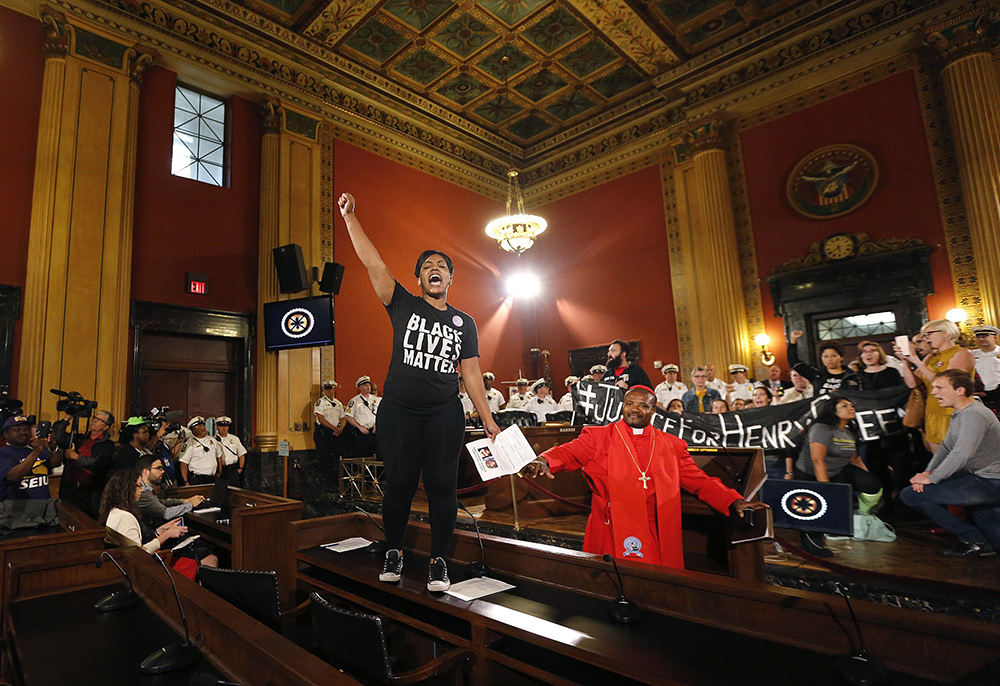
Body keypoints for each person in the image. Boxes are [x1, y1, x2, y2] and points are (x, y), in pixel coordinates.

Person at [338, 191, 500, 593]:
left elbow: (472, 374)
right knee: (400, 485)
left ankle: (439, 561)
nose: (435, 269)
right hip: (398, 411)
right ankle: (394, 550)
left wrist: (489, 420)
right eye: (427, 266)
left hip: (444, 413)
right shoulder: (403, 304)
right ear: (419, 279)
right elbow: (372, 262)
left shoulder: (465, 323)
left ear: (450, 279)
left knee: (444, 488)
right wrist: (350, 218)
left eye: (441, 266)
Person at [522, 386, 767, 568]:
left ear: (653, 410)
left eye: (643, 405)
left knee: (656, 587)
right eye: (630, 404)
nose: (634, 410)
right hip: (611, 526)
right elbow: (568, 452)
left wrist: (733, 501)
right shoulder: (599, 436)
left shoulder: (671, 445)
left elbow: (699, 480)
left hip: (656, 528)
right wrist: (544, 460)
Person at [899, 371, 1000, 557]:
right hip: (982, 476)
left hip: (991, 481)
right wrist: (928, 473)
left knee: (912, 495)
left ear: (960, 390)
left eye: (940, 388)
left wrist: (933, 479)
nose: (934, 392)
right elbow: (946, 447)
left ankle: (974, 539)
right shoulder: (963, 412)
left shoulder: (974, 415)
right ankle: (981, 543)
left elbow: (961, 453)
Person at [794, 395, 882, 557]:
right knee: (815, 509)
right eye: (844, 406)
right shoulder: (821, 428)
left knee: (873, 484)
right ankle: (812, 542)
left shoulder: (848, 432)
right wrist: (826, 489)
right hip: (810, 475)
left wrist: (866, 476)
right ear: (832, 411)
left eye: (851, 405)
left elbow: (855, 458)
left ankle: (862, 515)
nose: (851, 408)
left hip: (837, 471)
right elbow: (817, 460)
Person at [895, 319, 975, 451]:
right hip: (933, 412)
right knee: (938, 463)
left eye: (929, 334)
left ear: (946, 334)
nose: (926, 339)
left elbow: (947, 384)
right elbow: (912, 383)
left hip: (953, 414)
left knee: (960, 461)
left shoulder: (962, 353)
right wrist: (905, 361)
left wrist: (916, 360)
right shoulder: (931, 356)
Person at [101, 469, 187, 554]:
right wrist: (167, 534)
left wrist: (158, 532)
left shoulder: (115, 511)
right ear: (127, 489)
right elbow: (138, 554)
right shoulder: (125, 518)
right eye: (138, 485)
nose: (141, 490)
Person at [59, 409, 115, 518]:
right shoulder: (81, 438)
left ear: (106, 427)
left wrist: (76, 456)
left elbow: (97, 463)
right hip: (69, 488)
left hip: (89, 493)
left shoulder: (107, 445)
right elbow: (60, 438)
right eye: (94, 418)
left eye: (99, 420)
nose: (94, 421)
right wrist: (67, 418)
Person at [0, 415, 63, 501]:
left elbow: (54, 463)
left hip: (45, 505)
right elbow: (14, 476)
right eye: (17, 430)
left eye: (26, 429)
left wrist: (56, 446)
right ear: (6, 434)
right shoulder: (3, 453)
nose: (23, 432)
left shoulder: (36, 447)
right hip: (16, 510)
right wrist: (36, 452)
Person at [135, 454, 205, 528]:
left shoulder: (146, 489)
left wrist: (183, 501)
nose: (163, 471)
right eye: (159, 468)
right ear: (146, 472)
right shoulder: (143, 492)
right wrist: (191, 504)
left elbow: (159, 503)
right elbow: (166, 514)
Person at [787, 331, 861, 394]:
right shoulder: (816, 374)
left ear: (841, 357)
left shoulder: (853, 376)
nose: (829, 359)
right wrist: (793, 341)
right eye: (825, 356)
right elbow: (793, 362)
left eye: (833, 356)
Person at [314, 380, 347, 482]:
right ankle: (326, 482)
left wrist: (341, 428)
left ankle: (338, 481)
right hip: (324, 433)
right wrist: (335, 429)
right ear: (324, 390)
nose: (329, 391)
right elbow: (321, 418)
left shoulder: (338, 403)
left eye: (331, 388)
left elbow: (343, 418)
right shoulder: (320, 402)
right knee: (325, 458)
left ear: (334, 389)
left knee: (339, 456)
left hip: (337, 434)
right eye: (326, 388)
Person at [177, 416, 221, 485]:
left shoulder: (212, 440)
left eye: (203, 425)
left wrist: (219, 472)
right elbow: (183, 464)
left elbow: (219, 456)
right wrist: (185, 481)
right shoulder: (189, 444)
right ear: (192, 430)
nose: (202, 428)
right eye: (199, 427)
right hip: (197, 479)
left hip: (212, 478)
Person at [345, 376, 380, 457]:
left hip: (374, 432)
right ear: (360, 387)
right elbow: (348, 416)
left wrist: (377, 424)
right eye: (365, 385)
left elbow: (380, 414)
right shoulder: (355, 400)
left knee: (376, 456)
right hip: (362, 433)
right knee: (363, 456)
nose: (368, 387)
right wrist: (359, 427)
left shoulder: (376, 399)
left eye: (369, 385)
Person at [971, 325, 1000, 411]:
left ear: (994, 337)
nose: (981, 339)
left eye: (984, 336)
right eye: (978, 337)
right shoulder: (971, 354)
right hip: (977, 396)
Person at [214, 416, 247, 485]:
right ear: (217, 427)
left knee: (234, 491)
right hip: (219, 470)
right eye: (221, 426)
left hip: (232, 469)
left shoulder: (234, 439)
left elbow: (242, 454)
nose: (224, 428)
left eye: (226, 426)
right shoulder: (212, 440)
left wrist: (240, 468)